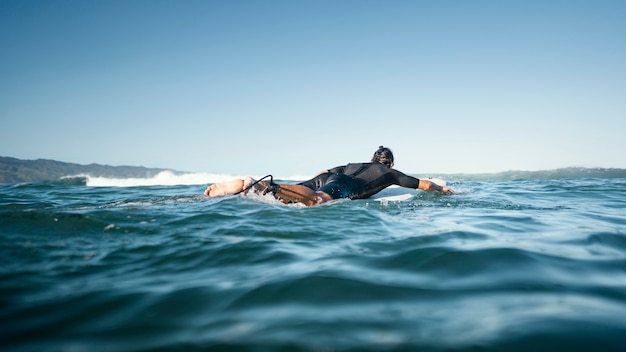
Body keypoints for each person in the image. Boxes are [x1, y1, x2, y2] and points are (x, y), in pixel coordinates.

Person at [204, 146, 454, 206]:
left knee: (293, 196)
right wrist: (443, 190)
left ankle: (252, 187)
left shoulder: (352, 163)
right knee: (315, 200)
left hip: (329, 176)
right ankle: (265, 185)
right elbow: (423, 184)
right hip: (345, 184)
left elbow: (325, 172)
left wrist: (314, 182)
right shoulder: (390, 173)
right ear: (390, 162)